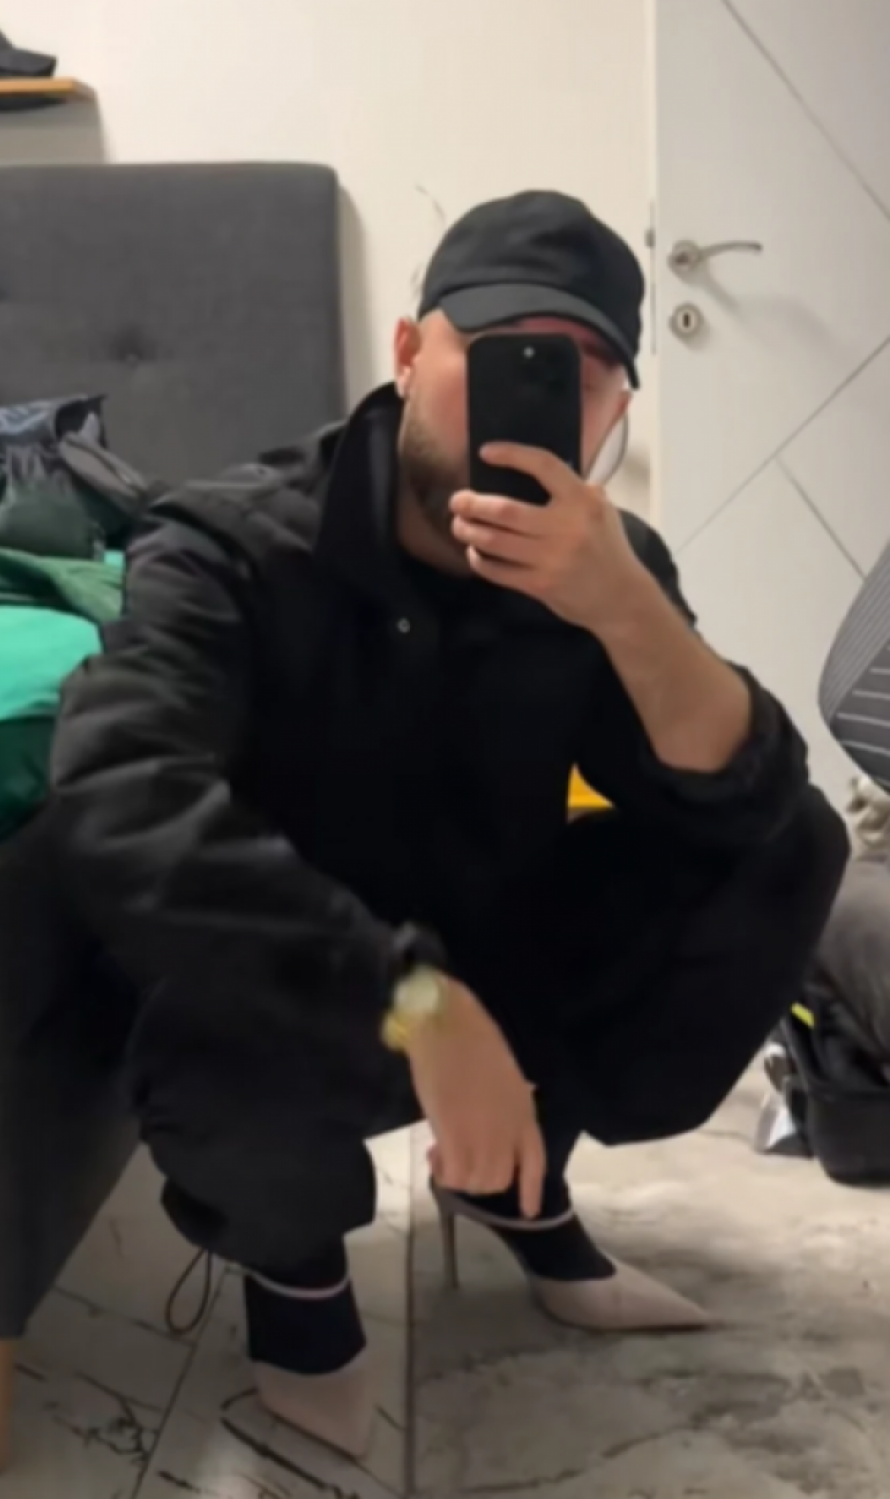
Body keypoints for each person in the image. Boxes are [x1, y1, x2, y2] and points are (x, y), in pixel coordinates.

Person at [50, 190, 848, 1458]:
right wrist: (413, 997)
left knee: (791, 837)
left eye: (581, 369)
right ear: (410, 352)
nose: (539, 389)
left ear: (614, 412)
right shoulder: (228, 543)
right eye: (503, 348)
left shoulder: (609, 562)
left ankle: (520, 1187)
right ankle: (297, 1273)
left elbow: (741, 800)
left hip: (504, 929)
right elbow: (117, 787)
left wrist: (624, 608)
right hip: (300, 976)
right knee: (206, 1023)